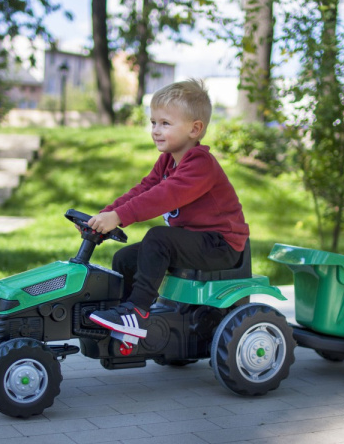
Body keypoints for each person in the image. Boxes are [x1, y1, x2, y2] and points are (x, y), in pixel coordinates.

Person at [87, 78, 249, 340]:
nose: (155, 130)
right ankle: (121, 319)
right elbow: (143, 190)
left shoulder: (200, 164)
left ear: (195, 129)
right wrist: (105, 216)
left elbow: (164, 196)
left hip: (220, 245)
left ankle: (137, 313)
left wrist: (119, 217)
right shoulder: (166, 161)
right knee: (125, 259)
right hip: (192, 241)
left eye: (165, 123)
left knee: (158, 237)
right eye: (153, 123)